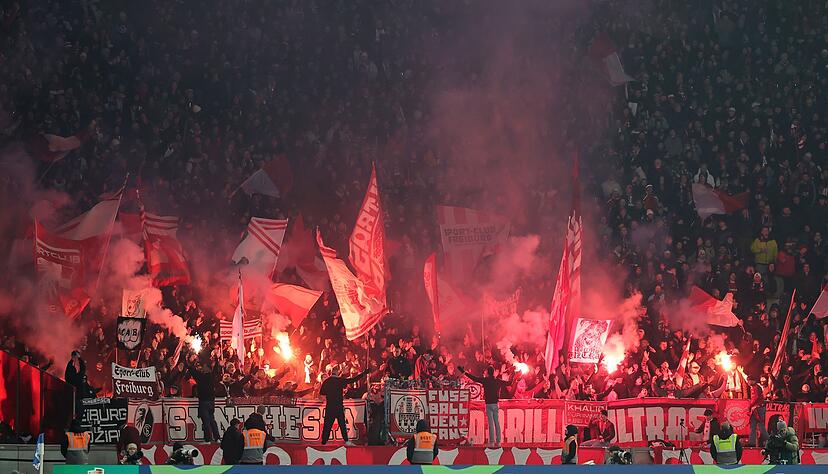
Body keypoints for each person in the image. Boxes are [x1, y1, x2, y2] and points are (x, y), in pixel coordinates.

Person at [459, 365, 509, 447]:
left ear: (487, 373)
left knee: (491, 424)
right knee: (497, 423)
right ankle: (499, 442)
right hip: (495, 404)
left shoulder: (485, 380)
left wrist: (464, 372)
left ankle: (492, 442)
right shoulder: (498, 381)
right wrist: (515, 376)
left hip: (488, 404)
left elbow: (474, 378)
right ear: (493, 373)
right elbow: (509, 383)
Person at [320, 366, 369, 445]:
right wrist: (364, 373)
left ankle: (324, 442)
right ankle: (346, 441)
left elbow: (322, 393)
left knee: (327, 425)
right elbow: (353, 380)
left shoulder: (326, 381)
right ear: (337, 372)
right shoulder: (340, 380)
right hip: (338, 406)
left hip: (330, 406)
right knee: (342, 424)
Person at [188, 363, 220, 442]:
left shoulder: (201, 377)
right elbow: (217, 370)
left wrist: (190, 363)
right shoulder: (212, 376)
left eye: (204, 366)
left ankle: (208, 439)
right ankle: (217, 438)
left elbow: (193, 371)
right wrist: (216, 360)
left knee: (206, 421)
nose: (202, 368)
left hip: (203, 402)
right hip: (211, 402)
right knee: (212, 420)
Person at [748, 379, 769, 447]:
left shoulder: (756, 388)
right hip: (757, 409)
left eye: (749, 380)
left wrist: (750, 405)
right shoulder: (755, 387)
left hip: (758, 409)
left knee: (759, 426)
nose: (748, 382)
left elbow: (755, 398)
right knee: (754, 426)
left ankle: (767, 440)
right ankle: (752, 443)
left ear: (753, 380)